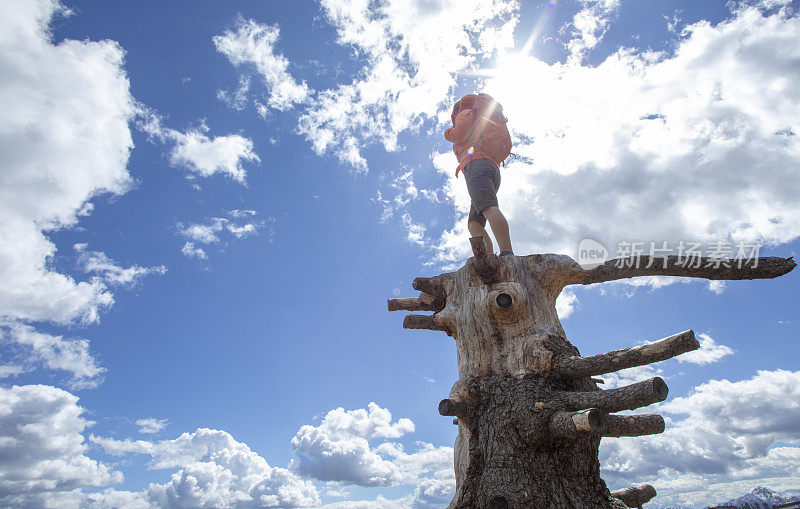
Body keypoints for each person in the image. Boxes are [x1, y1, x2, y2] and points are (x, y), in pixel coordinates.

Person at [444, 93, 513, 256]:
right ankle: (489, 259)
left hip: (477, 164)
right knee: (474, 224)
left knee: (489, 208)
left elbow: (458, 134)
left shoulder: (465, 113)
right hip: (490, 167)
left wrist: (447, 133)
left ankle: (507, 254)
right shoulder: (478, 115)